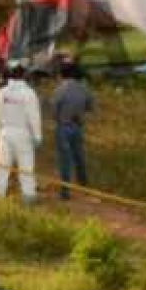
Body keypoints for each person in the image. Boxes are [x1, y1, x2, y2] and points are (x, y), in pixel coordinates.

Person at [0, 65, 42, 204]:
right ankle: (28, 197)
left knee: (1, 167)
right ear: (24, 75)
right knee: (26, 168)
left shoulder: (2, 93)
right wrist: (37, 136)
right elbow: (34, 116)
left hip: (5, 134)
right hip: (23, 134)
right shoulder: (29, 93)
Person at [51, 61, 93, 199]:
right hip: (77, 126)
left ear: (63, 74)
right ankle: (84, 185)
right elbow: (90, 107)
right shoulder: (84, 89)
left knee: (65, 160)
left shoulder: (60, 90)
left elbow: (54, 109)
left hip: (63, 127)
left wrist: (59, 118)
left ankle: (65, 192)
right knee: (79, 156)